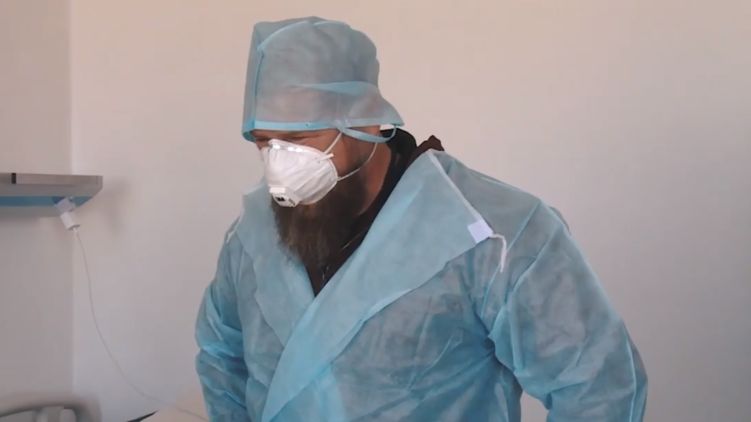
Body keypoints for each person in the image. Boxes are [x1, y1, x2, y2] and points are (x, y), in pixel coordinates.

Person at [195, 16, 647, 422]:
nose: (279, 163)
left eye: (300, 138)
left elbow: (598, 387)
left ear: (365, 121)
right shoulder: (252, 235)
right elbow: (221, 354)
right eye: (264, 141)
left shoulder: (493, 234)